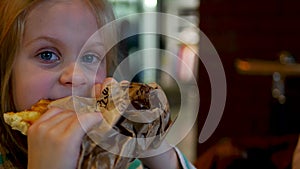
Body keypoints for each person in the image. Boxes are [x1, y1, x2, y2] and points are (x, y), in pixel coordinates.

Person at [0, 0, 195, 169]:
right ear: (6, 68)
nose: (76, 77)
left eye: (90, 57)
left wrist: (161, 154)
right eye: (47, 55)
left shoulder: (116, 155)